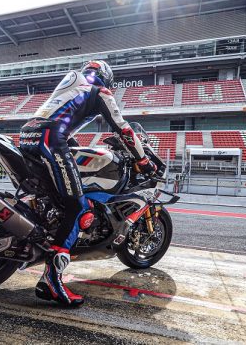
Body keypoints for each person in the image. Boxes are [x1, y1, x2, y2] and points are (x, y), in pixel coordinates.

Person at [19, 60, 157, 307]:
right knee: (76, 206)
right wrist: (143, 160)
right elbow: (123, 129)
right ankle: (52, 279)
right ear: (107, 78)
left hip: (28, 135)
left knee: (56, 199)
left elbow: (61, 117)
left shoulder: (73, 84)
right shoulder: (99, 90)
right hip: (50, 138)